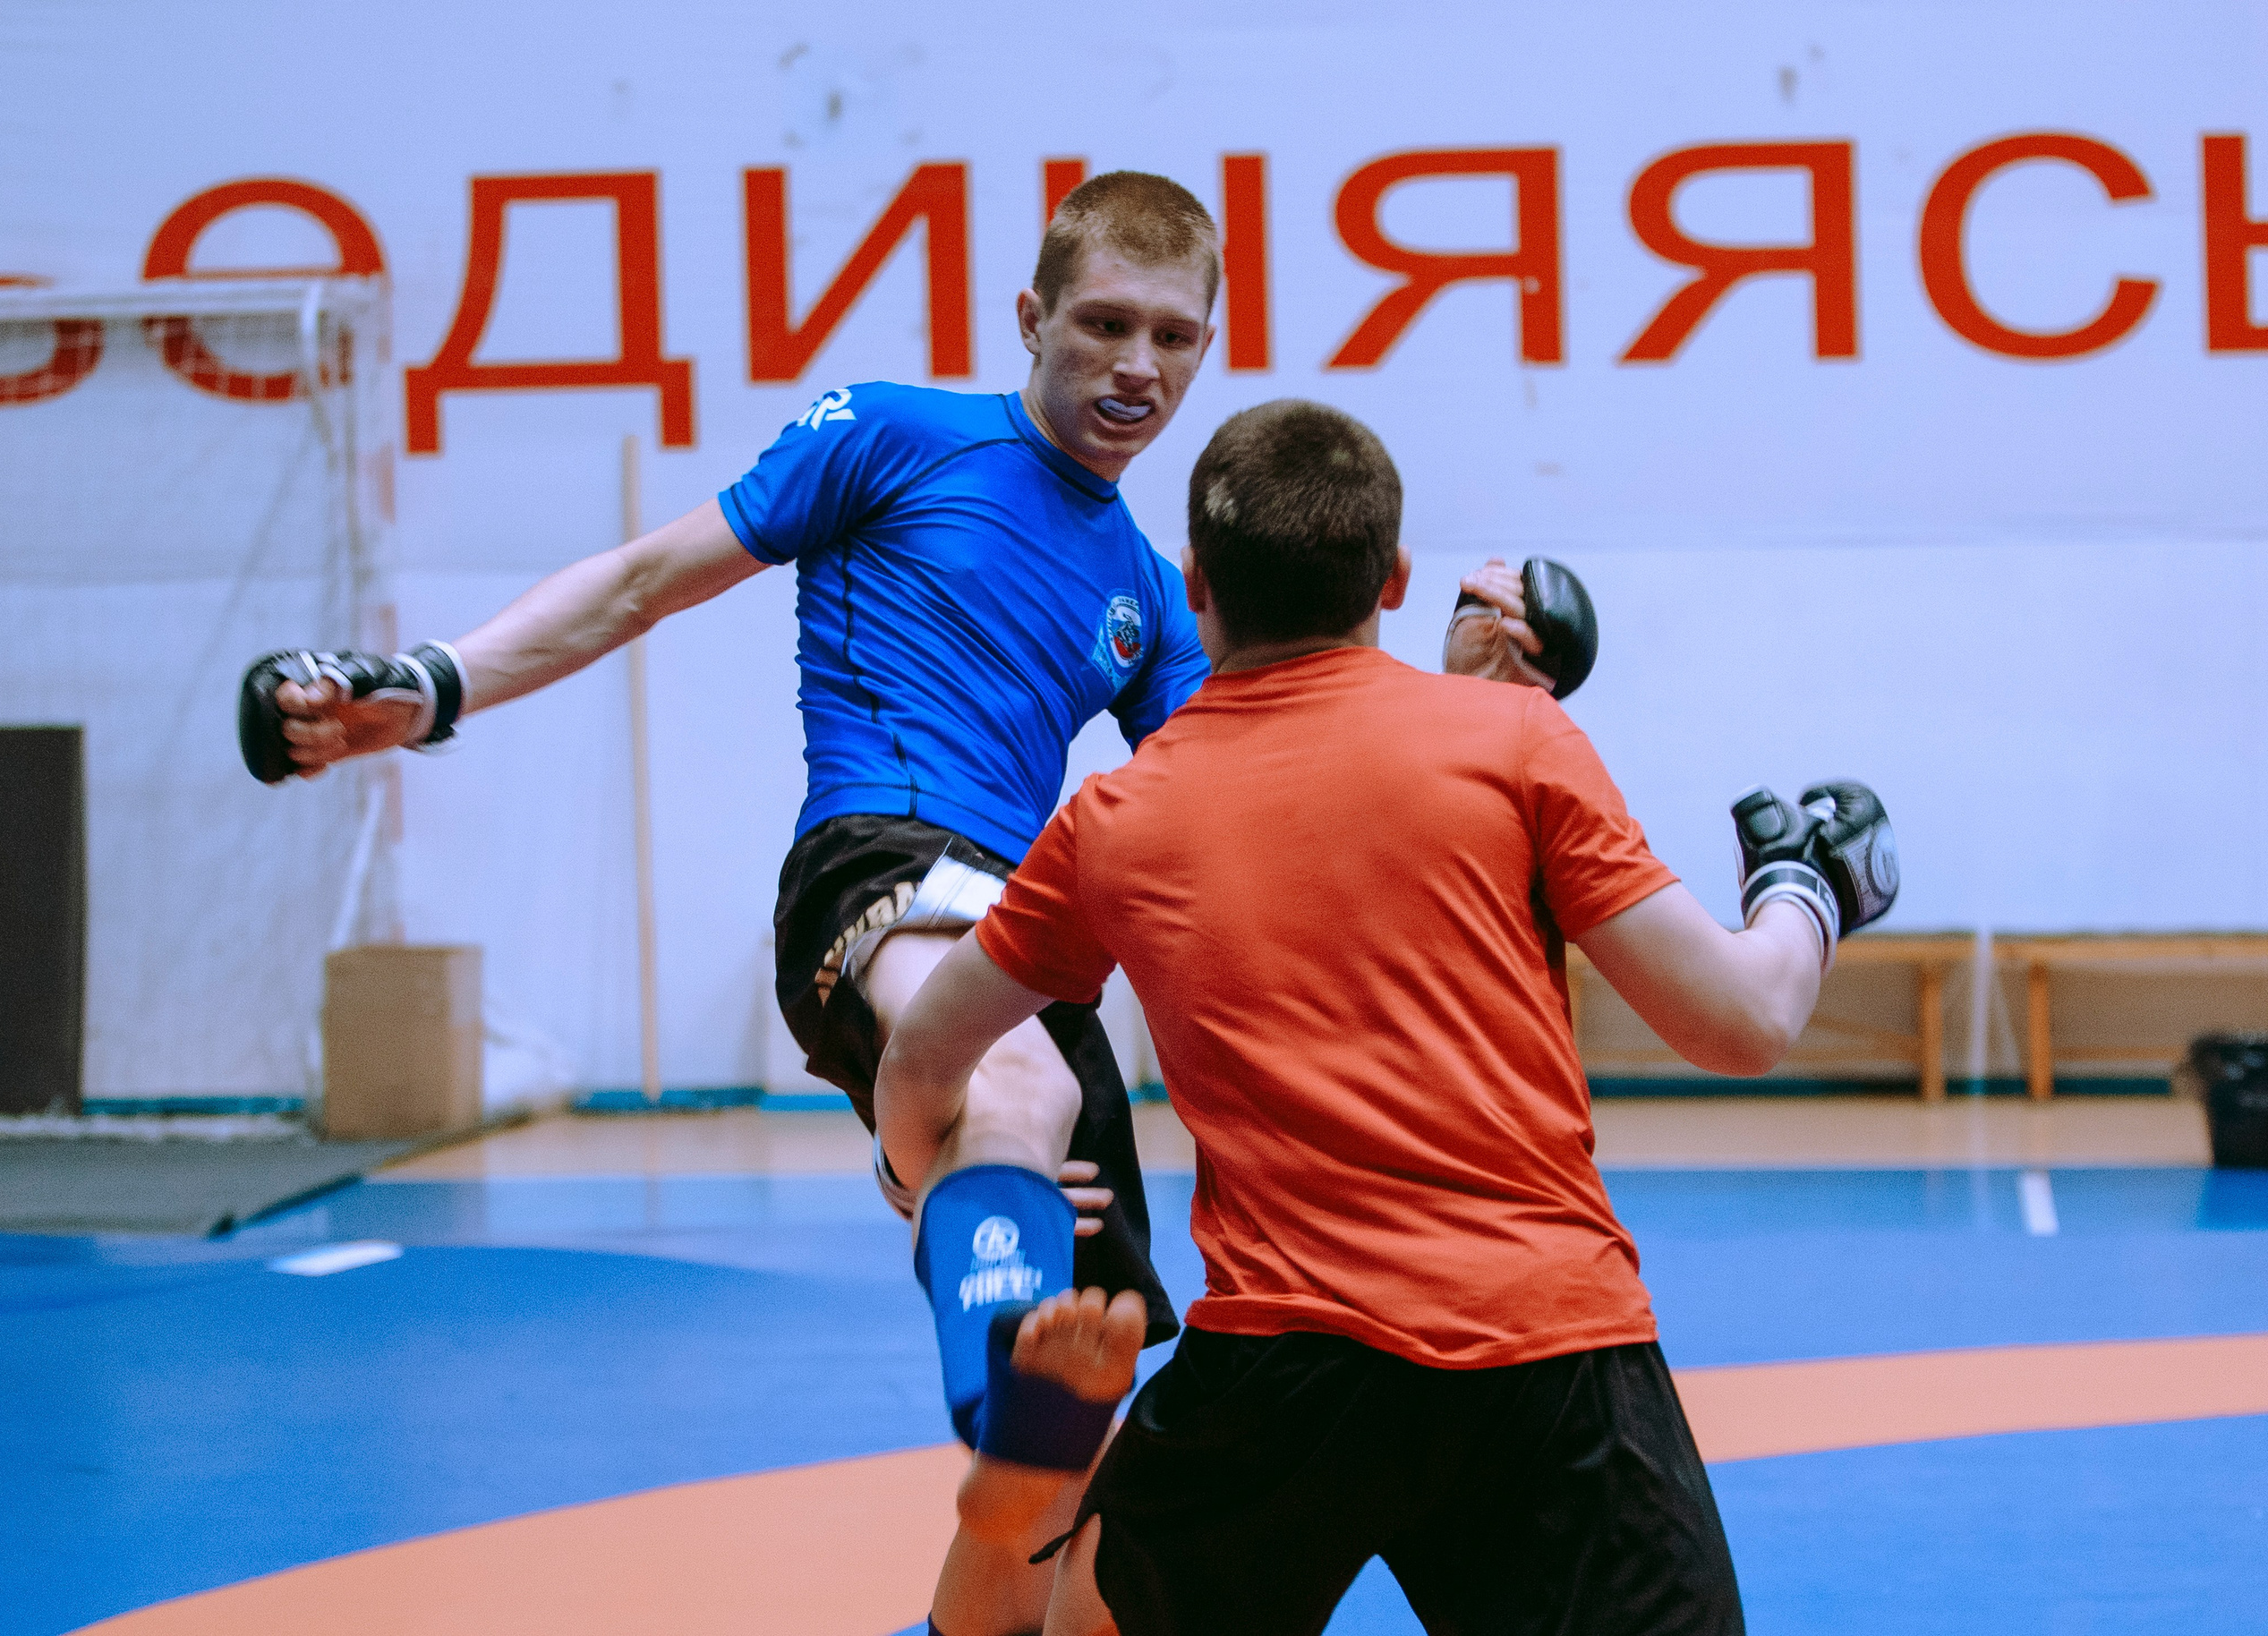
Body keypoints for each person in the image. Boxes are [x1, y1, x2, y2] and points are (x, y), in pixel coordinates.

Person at [234, 172, 1574, 1636]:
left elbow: (1296, 783)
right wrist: (431, 686)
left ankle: (988, 1522)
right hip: (880, 869)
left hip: (1022, 941)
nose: (1138, 367)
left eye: (1175, 340)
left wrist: (1463, 702)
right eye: (1104, 324)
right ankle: (1000, 1366)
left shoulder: (1148, 588)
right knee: (1014, 1112)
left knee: (1086, 1508)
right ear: (1031, 318)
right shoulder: (894, 432)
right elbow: (639, 582)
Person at [875, 399, 1897, 1636]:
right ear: (1397, 577)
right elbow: (1744, 1022)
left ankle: (1013, 1499)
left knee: (1057, 1627)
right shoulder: (1517, 739)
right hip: (1543, 1343)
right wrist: (1810, 894)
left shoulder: (1117, 817)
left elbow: (928, 1047)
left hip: (1286, 1372)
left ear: (1194, 585)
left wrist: (931, 1174)